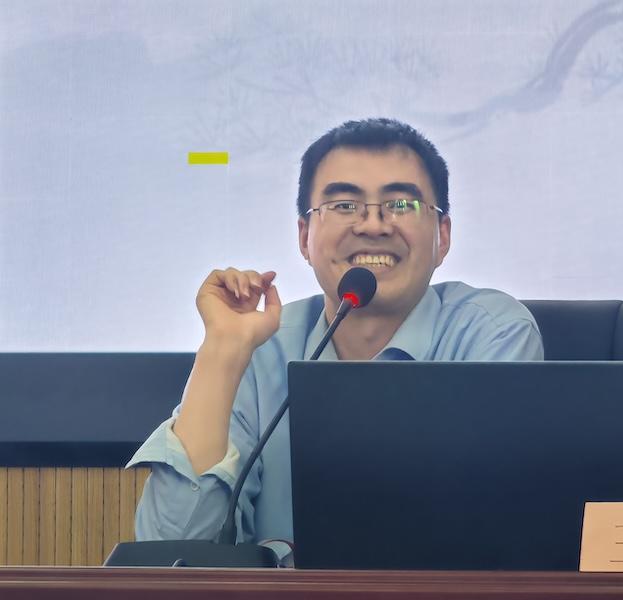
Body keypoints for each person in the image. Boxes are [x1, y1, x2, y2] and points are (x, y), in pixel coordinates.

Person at [128, 118, 544, 549]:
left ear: (443, 235)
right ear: (304, 237)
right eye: (345, 205)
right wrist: (223, 350)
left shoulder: (489, 335)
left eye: (401, 204)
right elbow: (170, 552)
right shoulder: (263, 350)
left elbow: (490, 538)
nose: (373, 225)